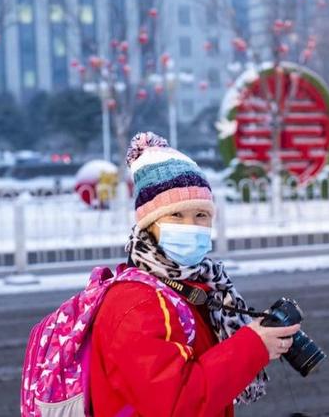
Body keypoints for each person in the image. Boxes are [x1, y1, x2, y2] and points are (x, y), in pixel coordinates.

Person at [90, 132, 300, 417]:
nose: (191, 225)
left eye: (201, 215)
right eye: (176, 216)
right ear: (148, 225)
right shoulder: (138, 303)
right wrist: (252, 346)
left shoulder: (191, 286)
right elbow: (176, 405)